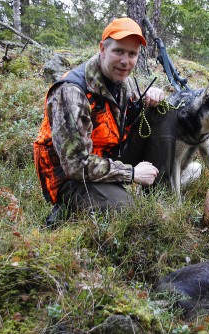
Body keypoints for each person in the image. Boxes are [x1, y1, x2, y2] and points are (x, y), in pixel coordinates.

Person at [34, 17, 177, 226]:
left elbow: (123, 121)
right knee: (128, 211)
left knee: (163, 113)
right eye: (118, 51)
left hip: (107, 157)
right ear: (103, 49)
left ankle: (158, 193)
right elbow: (75, 165)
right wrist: (132, 173)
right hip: (69, 178)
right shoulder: (72, 92)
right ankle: (66, 207)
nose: (125, 61)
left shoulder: (120, 81)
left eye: (132, 54)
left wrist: (151, 101)